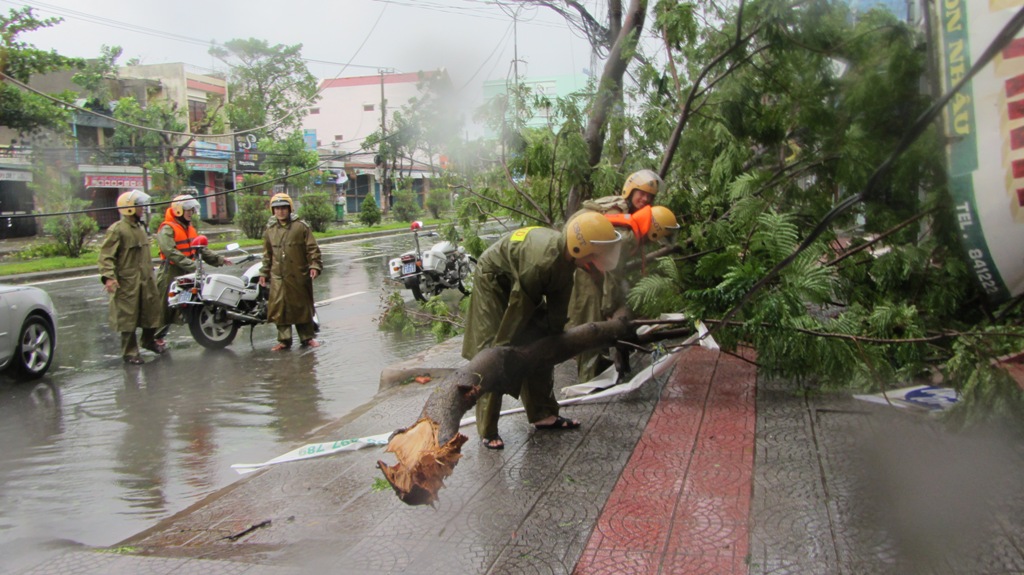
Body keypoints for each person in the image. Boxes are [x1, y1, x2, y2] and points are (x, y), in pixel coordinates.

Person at [462, 211, 624, 450]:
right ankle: (488, 429)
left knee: (541, 341)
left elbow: (559, 304)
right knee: (494, 351)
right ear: (581, 249)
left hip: (521, 279)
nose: (598, 261)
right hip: (494, 278)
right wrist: (507, 350)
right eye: (596, 255)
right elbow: (518, 308)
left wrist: (555, 339)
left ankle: (543, 414)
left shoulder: (566, 260)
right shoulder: (543, 262)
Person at [567, 204, 681, 381]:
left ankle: (599, 363)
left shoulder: (631, 229)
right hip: (583, 268)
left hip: (591, 268)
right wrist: (609, 308)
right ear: (656, 230)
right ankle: (590, 377)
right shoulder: (628, 238)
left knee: (596, 316)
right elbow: (613, 274)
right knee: (590, 320)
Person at [97, 189, 166, 365]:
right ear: (129, 208)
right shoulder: (117, 229)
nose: (142, 208)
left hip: (146, 279)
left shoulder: (140, 227)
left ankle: (148, 341)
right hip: (128, 281)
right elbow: (106, 256)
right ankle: (130, 352)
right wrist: (109, 277)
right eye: (139, 206)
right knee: (128, 318)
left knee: (152, 311)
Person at [154, 195, 231, 340]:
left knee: (196, 301)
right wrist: (192, 265)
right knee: (165, 306)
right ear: (178, 210)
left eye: (192, 209)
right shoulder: (167, 228)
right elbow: (169, 251)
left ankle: (212, 331)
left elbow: (201, 249)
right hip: (171, 271)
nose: (191, 212)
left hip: (188, 269)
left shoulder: (189, 229)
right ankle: (156, 338)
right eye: (187, 209)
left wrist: (219, 259)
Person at [259, 192, 323, 351]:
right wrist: (264, 272)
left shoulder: (301, 227)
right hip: (278, 276)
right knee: (280, 308)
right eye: (277, 208)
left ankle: (307, 338)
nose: (280, 211)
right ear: (273, 211)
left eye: (283, 208)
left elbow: (312, 249)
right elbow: (267, 254)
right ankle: (284, 340)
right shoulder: (270, 230)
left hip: (298, 275)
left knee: (302, 307)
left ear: (290, 209)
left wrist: (314, 265)